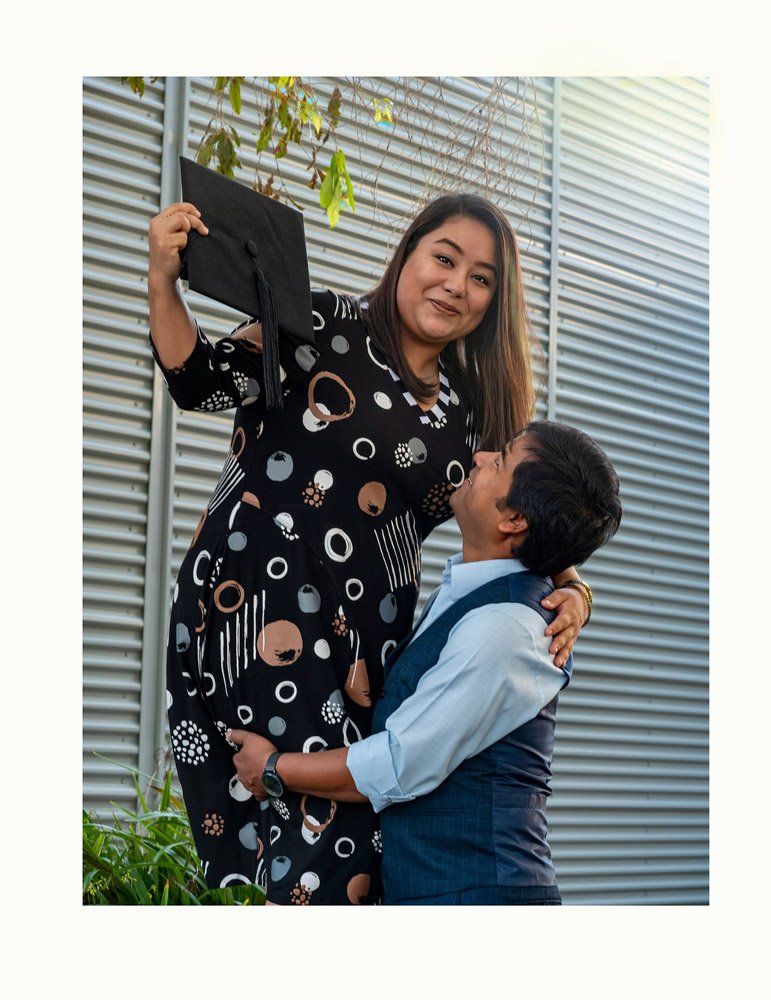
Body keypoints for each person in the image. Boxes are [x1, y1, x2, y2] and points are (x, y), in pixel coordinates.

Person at [147, 192, 592, 904]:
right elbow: (201, 380)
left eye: (481, 278)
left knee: (344, 852)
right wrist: (162, 280)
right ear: (407, 254)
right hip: (251, 609)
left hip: (362, 648)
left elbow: (532, 528)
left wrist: (577, 594)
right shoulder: (319, 321)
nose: (456, 285)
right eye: (444, 258)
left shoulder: (469, 413)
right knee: (297, 837)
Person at [228, 421, 622, 905]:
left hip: (474, 896)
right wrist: (581, 590)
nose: (480, 457)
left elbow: (397, 763)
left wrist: (272, 768)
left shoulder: (505, 629)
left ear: (514, 520)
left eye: (499, 462)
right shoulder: (482, 596)